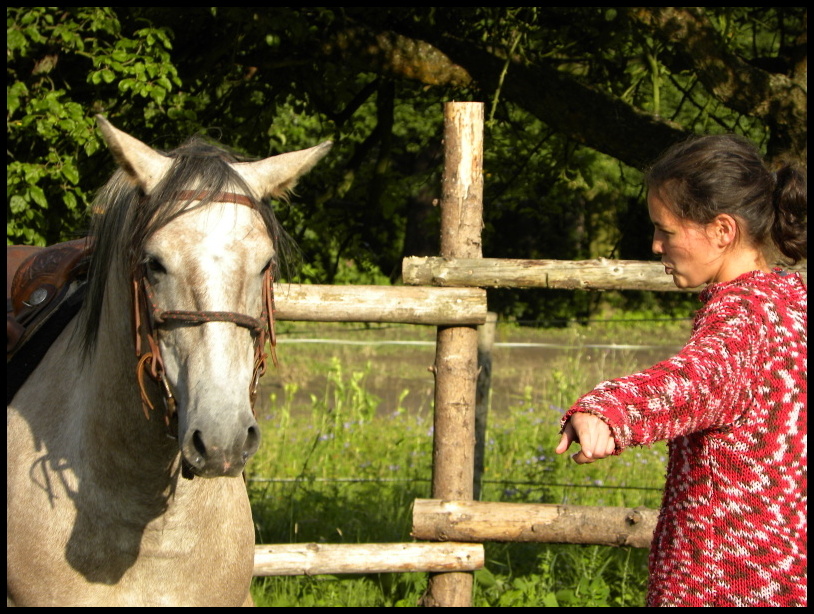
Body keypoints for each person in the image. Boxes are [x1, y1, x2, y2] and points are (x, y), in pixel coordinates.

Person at [555, 134, 807, 607]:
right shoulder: (793, 303)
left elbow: (698, 378)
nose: (655, 245)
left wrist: (610, 410)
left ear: (722, 231)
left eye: (666, 230)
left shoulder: (744, 316)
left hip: (723, 587)